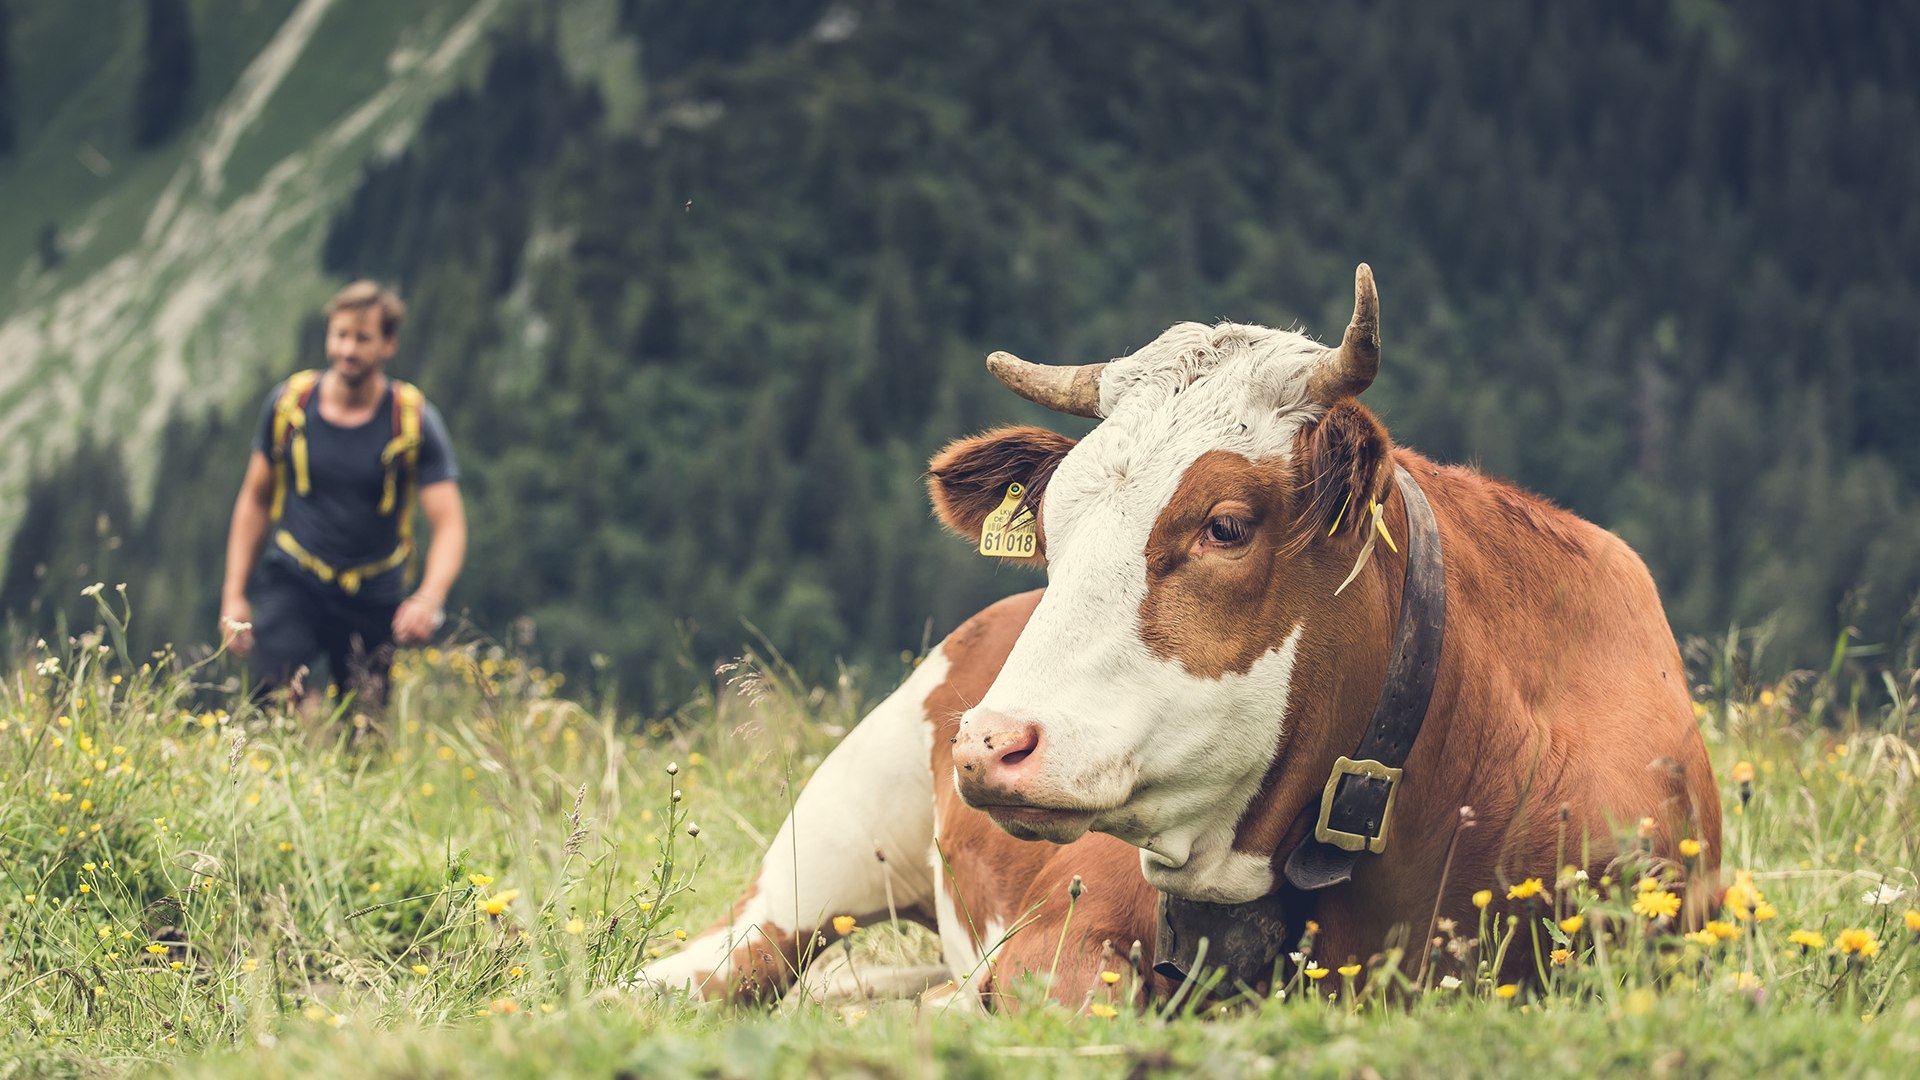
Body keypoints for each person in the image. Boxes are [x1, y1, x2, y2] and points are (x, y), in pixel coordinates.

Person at [218, 281, 466, 708]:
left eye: (362, 338)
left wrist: (429, 598)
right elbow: (255, 499)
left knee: (364, 734)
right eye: (340, 335)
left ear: (388, 344)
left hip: (373, 593)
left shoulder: (412, 421)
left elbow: (449, 524)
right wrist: (234, 591)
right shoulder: (290, 406)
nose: (348, 349)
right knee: (269, 704)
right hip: (295, 579)